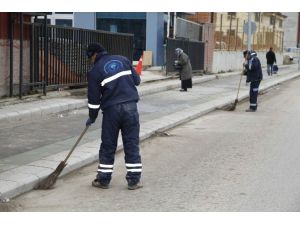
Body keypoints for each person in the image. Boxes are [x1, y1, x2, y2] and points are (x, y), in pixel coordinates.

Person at [85, 43, 143, 190]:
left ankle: (103, 180)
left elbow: (93, 100)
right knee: (131, 143)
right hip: (131, 108)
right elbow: (137, 80)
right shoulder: (123, 60)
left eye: (89, 58)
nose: (90, 61)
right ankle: (134, 181)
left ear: (94, 55)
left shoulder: (94, 72)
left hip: (112, 112)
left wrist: (92, 116)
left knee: (108, 145)